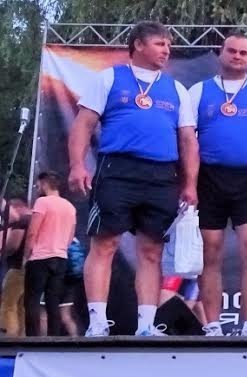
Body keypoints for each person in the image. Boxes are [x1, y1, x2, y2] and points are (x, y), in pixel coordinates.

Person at [67, 20, 199, 337]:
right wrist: (77, 165)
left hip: (162, 175)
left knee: (151, 251)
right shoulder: (110, 78)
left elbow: (188, 140)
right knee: (105, 244)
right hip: (118, 170)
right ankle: (97, 323)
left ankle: (147, 325)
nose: (166, 50)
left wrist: (190, 183)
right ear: (138, 44)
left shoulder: (177, 89)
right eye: (159, 43)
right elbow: (83, 124)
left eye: (168, 45)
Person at [188, 34, 247, 337]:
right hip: (209, 179)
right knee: (210, 252)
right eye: (232, 51)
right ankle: (213, 324)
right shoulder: (198, 91)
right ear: (220, 54)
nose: (238, 56)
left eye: (244, 53)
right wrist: (187, 183)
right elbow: (187, 141)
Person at [22, 172, 77, 336]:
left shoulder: (42, 202)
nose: (37, 187)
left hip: (40, 257)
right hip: (61, 258)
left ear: (45, 183)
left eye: (38, 184)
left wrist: (26, 255)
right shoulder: (70, 207)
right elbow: (70, 236)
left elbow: (33, 232)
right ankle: (54, 339)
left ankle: (32, 338)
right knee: (53, 301)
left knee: (32, 299)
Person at [0, 197, 31, 336]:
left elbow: (13, 246)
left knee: (8, 304)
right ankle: (21, 336)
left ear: (17, 207)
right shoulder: (34, 219)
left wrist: (4, 251)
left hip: (17, 267)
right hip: (32, 267)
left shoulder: (22, 221)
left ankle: (10, 337)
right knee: (21, 306)